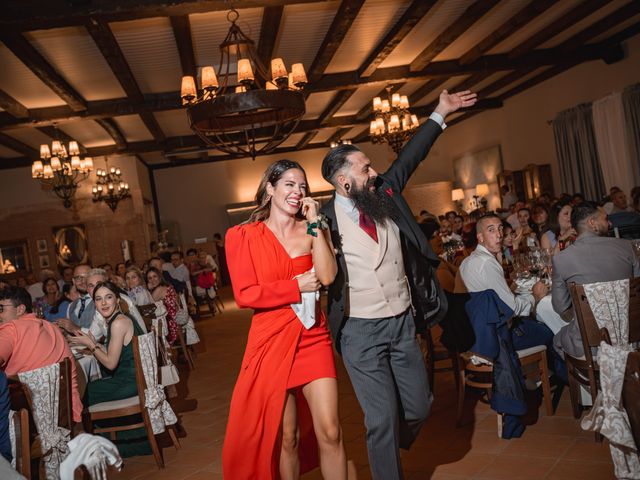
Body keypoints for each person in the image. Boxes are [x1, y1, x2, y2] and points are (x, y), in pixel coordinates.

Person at [320, 89, 477, 479]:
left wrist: (440, 111)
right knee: (381, 419)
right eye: (365, 169)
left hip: (403, 322)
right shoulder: (322, 222)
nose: (374, 172)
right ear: (343, 182)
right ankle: (387, 456)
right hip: (359, 330)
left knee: (420, 405)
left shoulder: (385, 194)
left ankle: (388, 441)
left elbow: (411, 155)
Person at [223, 159, 347, 479]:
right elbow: (245, 295)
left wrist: (317, 222)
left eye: (302, 186)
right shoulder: (242, 236)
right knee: (287, 438)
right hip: (271, 340)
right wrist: (295, 286)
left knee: (331, 432)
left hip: (313, 337)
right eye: (290, 184)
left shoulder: (313, 229)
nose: (297, 191)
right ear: (270, 189)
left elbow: (328, 276)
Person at [69, 281, 149, 457]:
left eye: (108, 297)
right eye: (98, 299)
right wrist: (92, 345)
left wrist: (90, 344)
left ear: (117, 299)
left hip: (130, 382)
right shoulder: (118, 319)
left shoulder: (119, 322)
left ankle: (94, 448)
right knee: (83, 389)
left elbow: (111, 364)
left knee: (76, 394)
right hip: (131, 378)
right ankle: (111, 441)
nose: (104, 303)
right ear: (94, 303)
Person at [552, 204, 640, 358]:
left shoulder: (561, 258)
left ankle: (590, 381)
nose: (610, 223)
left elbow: (561, 307)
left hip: (590, 345)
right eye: (606, 219)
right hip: (631, 338)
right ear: (592, 223)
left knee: (557, 340)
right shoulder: (628, 247)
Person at [0, 286, 82, 423]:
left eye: (1, 309)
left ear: (20, 309)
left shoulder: (11, 329)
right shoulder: (51, 327)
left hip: (28, 419)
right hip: (67, 411)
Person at [146, 267, 179, 344]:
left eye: (155, 276)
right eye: (150, 278)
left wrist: (147, 289)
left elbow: (148, 307)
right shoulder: (167, 286)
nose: (153, 280)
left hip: (170, 327)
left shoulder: (159, 289)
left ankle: (160, 353)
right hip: (176, 321)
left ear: (160, 277)